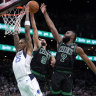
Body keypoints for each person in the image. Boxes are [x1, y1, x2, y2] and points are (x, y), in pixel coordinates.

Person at [40, 3, 96, 96]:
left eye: (68, 33)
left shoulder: (77, 48)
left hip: (67, 75)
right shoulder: (60, 41)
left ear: (73, 37)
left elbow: (89, 62)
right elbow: (52, 27)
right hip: (57, 73)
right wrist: (45, 13)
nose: (65, 33)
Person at [12, 4, 43, 96]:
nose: (19, 44)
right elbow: (15, 33)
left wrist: (27, 15)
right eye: (19, 43)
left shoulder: (28, 50)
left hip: (28, 79)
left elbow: (27, 32)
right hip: (20, 82)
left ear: (26, 44)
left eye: (21, 43)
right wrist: (18, 18)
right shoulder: (18, 52)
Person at [30, 12, 56, 93]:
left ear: (46, 43)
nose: (41, 39)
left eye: (43, 39)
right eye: (40, 39)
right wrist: (32, 15)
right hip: (33, 74)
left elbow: (53, 60)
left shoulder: (49, 53)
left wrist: (53, 60)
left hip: (43, 77)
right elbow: (34, 29)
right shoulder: (38, 47)